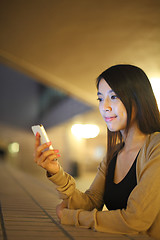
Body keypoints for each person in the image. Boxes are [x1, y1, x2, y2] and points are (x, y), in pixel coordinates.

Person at [34, 64, 160, 239]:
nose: (104, 107)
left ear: (139, 98)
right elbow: (91, 203)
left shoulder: (156, 147)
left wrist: (72, 217)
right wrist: (56, 172)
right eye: (100, 99)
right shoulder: (113, 155)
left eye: (113, 96)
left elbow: (136, 219)